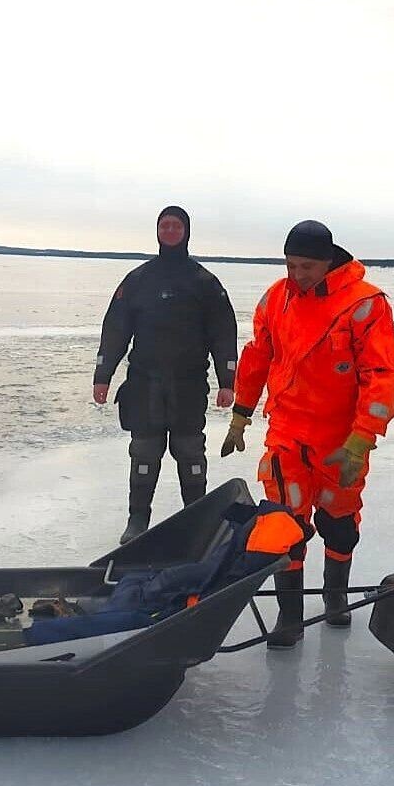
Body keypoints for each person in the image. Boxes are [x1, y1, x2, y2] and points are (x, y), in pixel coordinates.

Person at [221, 220, 394, 647]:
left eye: (307, 266)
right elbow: (257, 358)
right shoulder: (275, 299)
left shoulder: (365, 304)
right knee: (285, 523)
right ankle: (290, 616)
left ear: (329, 261)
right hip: (286, 434)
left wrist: (362, 439)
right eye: (290, 265)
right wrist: (241, 415)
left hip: (342, 440)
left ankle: (335, 597)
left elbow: (380, 376)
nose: (297, 275)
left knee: (339, 523)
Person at [93, 206, 238, 544]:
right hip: (144, 385)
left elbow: (223, 333)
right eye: (165, 225)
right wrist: (103, 374)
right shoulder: (138, 280)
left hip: (188, 385)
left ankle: (197, 517)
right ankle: (137, 521)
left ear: (186, 231)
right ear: (157, 231)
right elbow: (115, 329)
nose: (171, 231)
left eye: (177, 226)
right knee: (144, 450)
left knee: (190, 451)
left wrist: (227, 381)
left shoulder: (204, 282)